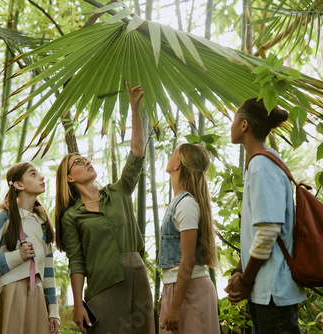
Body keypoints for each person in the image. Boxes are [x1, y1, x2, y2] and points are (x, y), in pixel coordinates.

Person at [54, 82, 154, 333]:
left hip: (138, 278)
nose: (86, 161)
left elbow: (137, 153)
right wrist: (77, 304)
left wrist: (134, 110)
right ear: (69, 178)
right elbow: (76, 262)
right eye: (78, 162)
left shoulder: (119, 191)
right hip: (102, 286)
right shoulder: (73, 217)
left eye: (86, 158)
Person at [225, 98, 306, 333]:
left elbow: (269, 231)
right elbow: (257, 232)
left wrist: (245, 281)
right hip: (266, 292)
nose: (231, 126)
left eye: (233, 120)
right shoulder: (262, 161)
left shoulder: (262, 165)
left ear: (244, 125)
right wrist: (239, 271)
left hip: (273, 293)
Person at [157, 143, 220, 334]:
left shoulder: (186, 205)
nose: (170, 155)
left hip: (191, 291)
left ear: (177, 164)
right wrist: (166, 295)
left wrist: (175, 306)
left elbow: (188, 259)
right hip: (178, 289)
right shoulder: (178, 203)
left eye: (173, 152)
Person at [0, 162, 60, 334]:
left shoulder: (42, 223)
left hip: (36, 295)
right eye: (33, 174)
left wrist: (53, 311)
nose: (41, 177)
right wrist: (18, 256)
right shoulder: (3, 217)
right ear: (18, 185)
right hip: (9, 293)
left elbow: (48, 270)